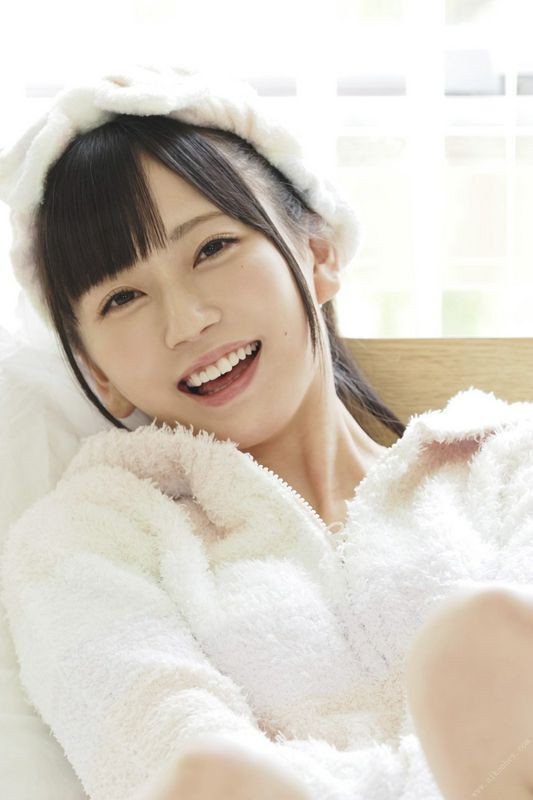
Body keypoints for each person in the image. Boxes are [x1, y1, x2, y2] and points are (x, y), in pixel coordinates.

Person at [1, 61, 533, 800]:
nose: (186, 321)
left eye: (211, 248)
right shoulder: (85, 543)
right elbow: (166, 764)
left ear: (317, 254)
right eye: (122, 297)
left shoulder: (507, 463)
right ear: (96, 372)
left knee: (484, 645)